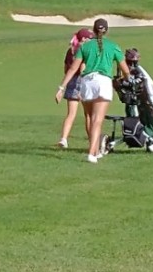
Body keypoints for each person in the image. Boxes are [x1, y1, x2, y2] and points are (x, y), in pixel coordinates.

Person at [54, 17, 130, 163]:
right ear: (106, 31)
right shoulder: (113, 46)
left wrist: (61, 88)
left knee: (89, 117)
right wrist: (124, 79)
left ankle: (95, 150)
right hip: (103, 82)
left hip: (87, 82)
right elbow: (125, 70)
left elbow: (73, 69)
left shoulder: (85, 47)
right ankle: (92, 154)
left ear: (94, 30)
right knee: (97, 120)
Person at [55, 28, 93, 149]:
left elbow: (66, 69)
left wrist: (63, 86)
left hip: (71, 82)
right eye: (89, 38)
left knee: (71, 114)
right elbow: (83, 68)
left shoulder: (70, 51)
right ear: (84, 39)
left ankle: (64, 139)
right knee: (88, 115)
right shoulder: (86, 50)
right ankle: (92, 140)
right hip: (84, 82)